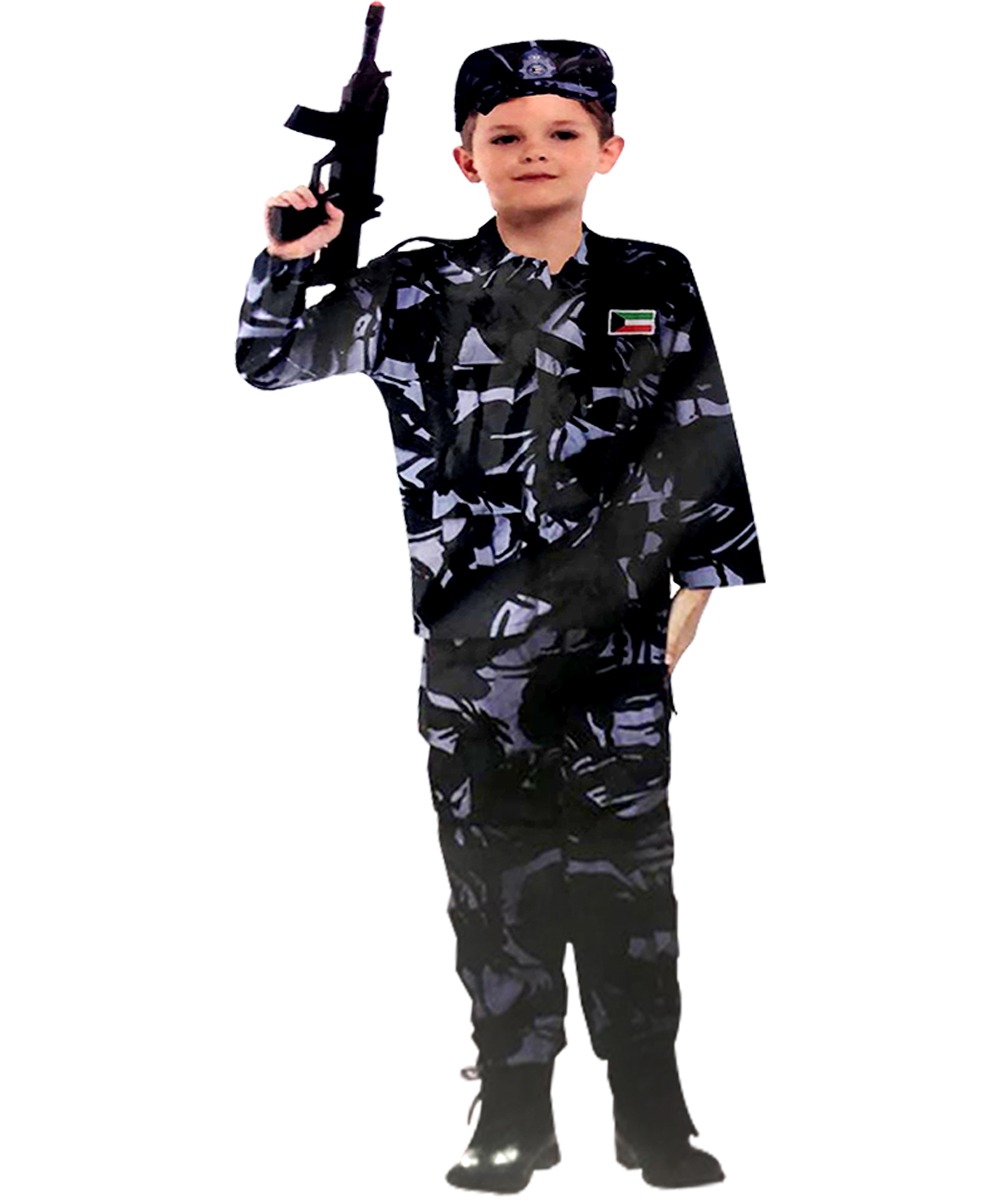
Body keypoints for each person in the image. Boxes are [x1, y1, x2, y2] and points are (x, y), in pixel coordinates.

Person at [236, 38, 765, 1192]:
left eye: (563, 132)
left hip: (619, 647)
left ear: (607, 150)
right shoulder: (413, 289)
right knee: (496, 880)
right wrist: (292, 259)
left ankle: (651, 1109)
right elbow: (270, 363)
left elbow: (701, 436)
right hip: (474, 654)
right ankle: (512, 1109)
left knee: (628, 877)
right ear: (463, 158)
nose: (535, 152)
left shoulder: (654, 279)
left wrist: (691, 604)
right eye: (506, 135)